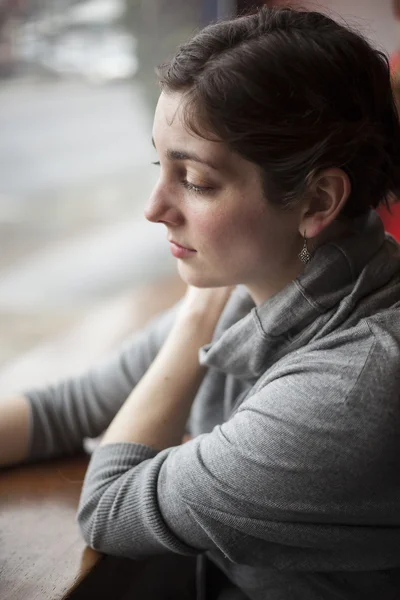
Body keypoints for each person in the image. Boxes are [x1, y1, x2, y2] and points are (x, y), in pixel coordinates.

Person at [2, 6, 400, 599]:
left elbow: (110, 509)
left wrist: (193, 319)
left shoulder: (353, 387)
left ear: (317, 201)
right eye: (158, 164)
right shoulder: (272, 280)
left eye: (195, 180)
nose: (154, 207)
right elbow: (67, 407)